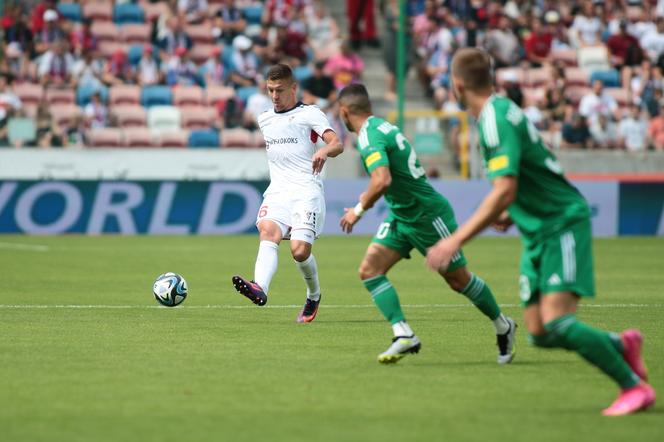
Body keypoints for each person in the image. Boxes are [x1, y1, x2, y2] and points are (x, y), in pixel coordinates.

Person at [426, 48, 656, 416]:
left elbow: (504, 188)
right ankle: (620, 344)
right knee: (540, 332)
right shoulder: (500, 112)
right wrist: (509, 212)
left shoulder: (493, 120)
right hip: (537, 229)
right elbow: (522, 178)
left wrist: (455, 239)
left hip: (559, 221)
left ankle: (634, 387)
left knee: (558, 321)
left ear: (456, 85)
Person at [337, 83, 516, 364]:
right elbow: (389, 179)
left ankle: (503, 325)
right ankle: (403, 334)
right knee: (370, 270)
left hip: (428, 216)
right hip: (402, 215)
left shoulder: (369, 137)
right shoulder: (380, 127)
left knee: (459, 281)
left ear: (345, 112)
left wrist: (358, 210)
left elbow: (382, 179)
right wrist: (368, 197)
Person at [231, 64, 344, 323]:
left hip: (306, 190)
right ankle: (260, 287)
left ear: (294, 88)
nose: (274, 96)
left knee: (300, 251)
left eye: (280, 90)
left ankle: (313, 295)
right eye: (270, 90)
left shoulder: (310, 114)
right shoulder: (265, 119)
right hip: (278, 191)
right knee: (268, 232)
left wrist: (324, 151)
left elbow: (336, 143)